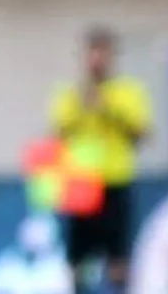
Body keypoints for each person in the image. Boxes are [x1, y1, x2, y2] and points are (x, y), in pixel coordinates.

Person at [49, 26, 151, 294]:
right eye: (92, 52)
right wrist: (83, 107)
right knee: (78, 257)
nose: (97, 59)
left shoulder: (127, 92)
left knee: (118, 256)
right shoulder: (71, 94)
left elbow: (140, 133)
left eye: (103, 53)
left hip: (116, 180)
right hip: (81, 184)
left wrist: (107, 109)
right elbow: (58, 132)